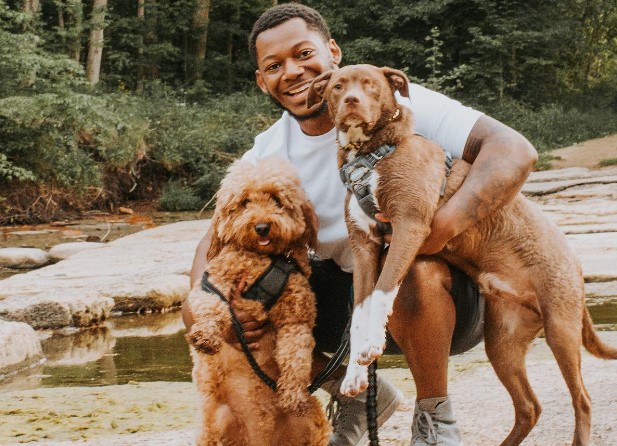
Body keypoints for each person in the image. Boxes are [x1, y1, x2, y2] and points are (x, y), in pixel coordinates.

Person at [184, 4, 538, 446]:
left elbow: (513, 151)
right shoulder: (270, 147)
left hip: (446, 302)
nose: (293, 72)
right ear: (262, 82)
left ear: (332, 50)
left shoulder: (396, 102)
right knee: (240, 306)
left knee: (418, 270)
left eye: (303, 53)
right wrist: (201, 302)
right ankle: (357, 396)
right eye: (275, 66)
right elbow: (213, 239)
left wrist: (438, 230)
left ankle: (435, 418)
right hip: (346, 300)